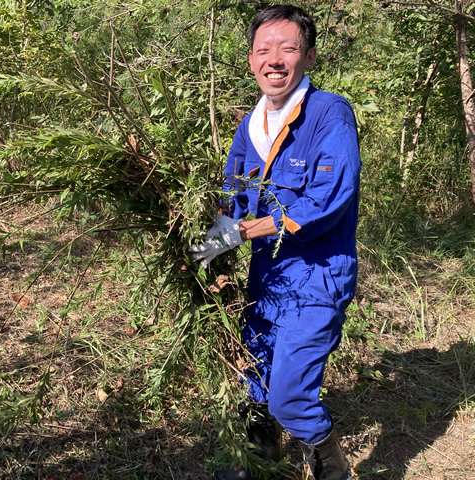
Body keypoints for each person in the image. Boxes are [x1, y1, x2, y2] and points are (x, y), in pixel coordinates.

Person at [190, 5, 360, 480]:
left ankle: (331, 469)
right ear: (250, 61)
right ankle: (256, 460)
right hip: (267, 275)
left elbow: (326, 201)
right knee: (255, 373)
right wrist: (205, 250)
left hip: (317, 274)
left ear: (307, 56)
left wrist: (242, 233)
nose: (275, 59)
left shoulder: (329, 114)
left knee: (288, 392)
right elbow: (233, 200)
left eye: (287, 48)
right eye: (264, 49)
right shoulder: (251, 126)